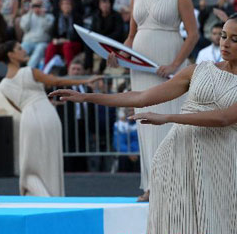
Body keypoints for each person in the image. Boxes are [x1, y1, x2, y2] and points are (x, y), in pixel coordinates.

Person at [49, 15, 237, 232]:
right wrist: (90, 98)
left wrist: (169, 118)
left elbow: (223, 118)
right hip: (179, 153)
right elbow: (142, 97)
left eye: (234, 39)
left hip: (222, 159)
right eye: (223, 36)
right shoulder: (199, 70)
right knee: (176, 223)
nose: (225, 43)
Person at [107, 0, 199, 201]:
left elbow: (193, 34)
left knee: (168, 121)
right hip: (141, 67)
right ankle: (150, 185)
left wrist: (174, 65)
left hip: (169, 64)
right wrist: (118, 56)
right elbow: (131, 36)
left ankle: (175, 184)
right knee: (145, 123)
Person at [0, 41, 100, 196]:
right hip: (46, 113)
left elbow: (19, 107)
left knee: (30, 163)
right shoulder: (29, 71)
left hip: (28, 118)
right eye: (19, 48)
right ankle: (52, 196)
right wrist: (85, 81)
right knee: (50, 159)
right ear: (11, 55)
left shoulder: (3, 85)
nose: (24, 50)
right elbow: (57, 82)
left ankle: (34, 194)